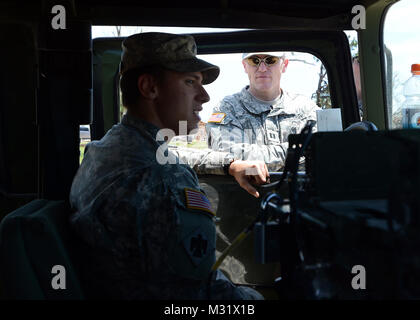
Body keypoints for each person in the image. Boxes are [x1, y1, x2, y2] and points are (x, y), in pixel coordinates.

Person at [69, 32, 266, 300]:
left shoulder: (112, 146)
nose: (204, 96)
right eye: (190, 82)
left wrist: (230, 163)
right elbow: (195, 294)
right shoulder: (160, 181)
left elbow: (172, 155)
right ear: (150, 87)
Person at [206, 52, 320, 171]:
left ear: (284, 64)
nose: (262, 68)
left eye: (270, 60)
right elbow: (227, 157)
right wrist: (296, 150)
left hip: (301, 188)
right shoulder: (227, 108)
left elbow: (325, 150)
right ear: (245, 66)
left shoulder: (306, 108)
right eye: (254, 61)